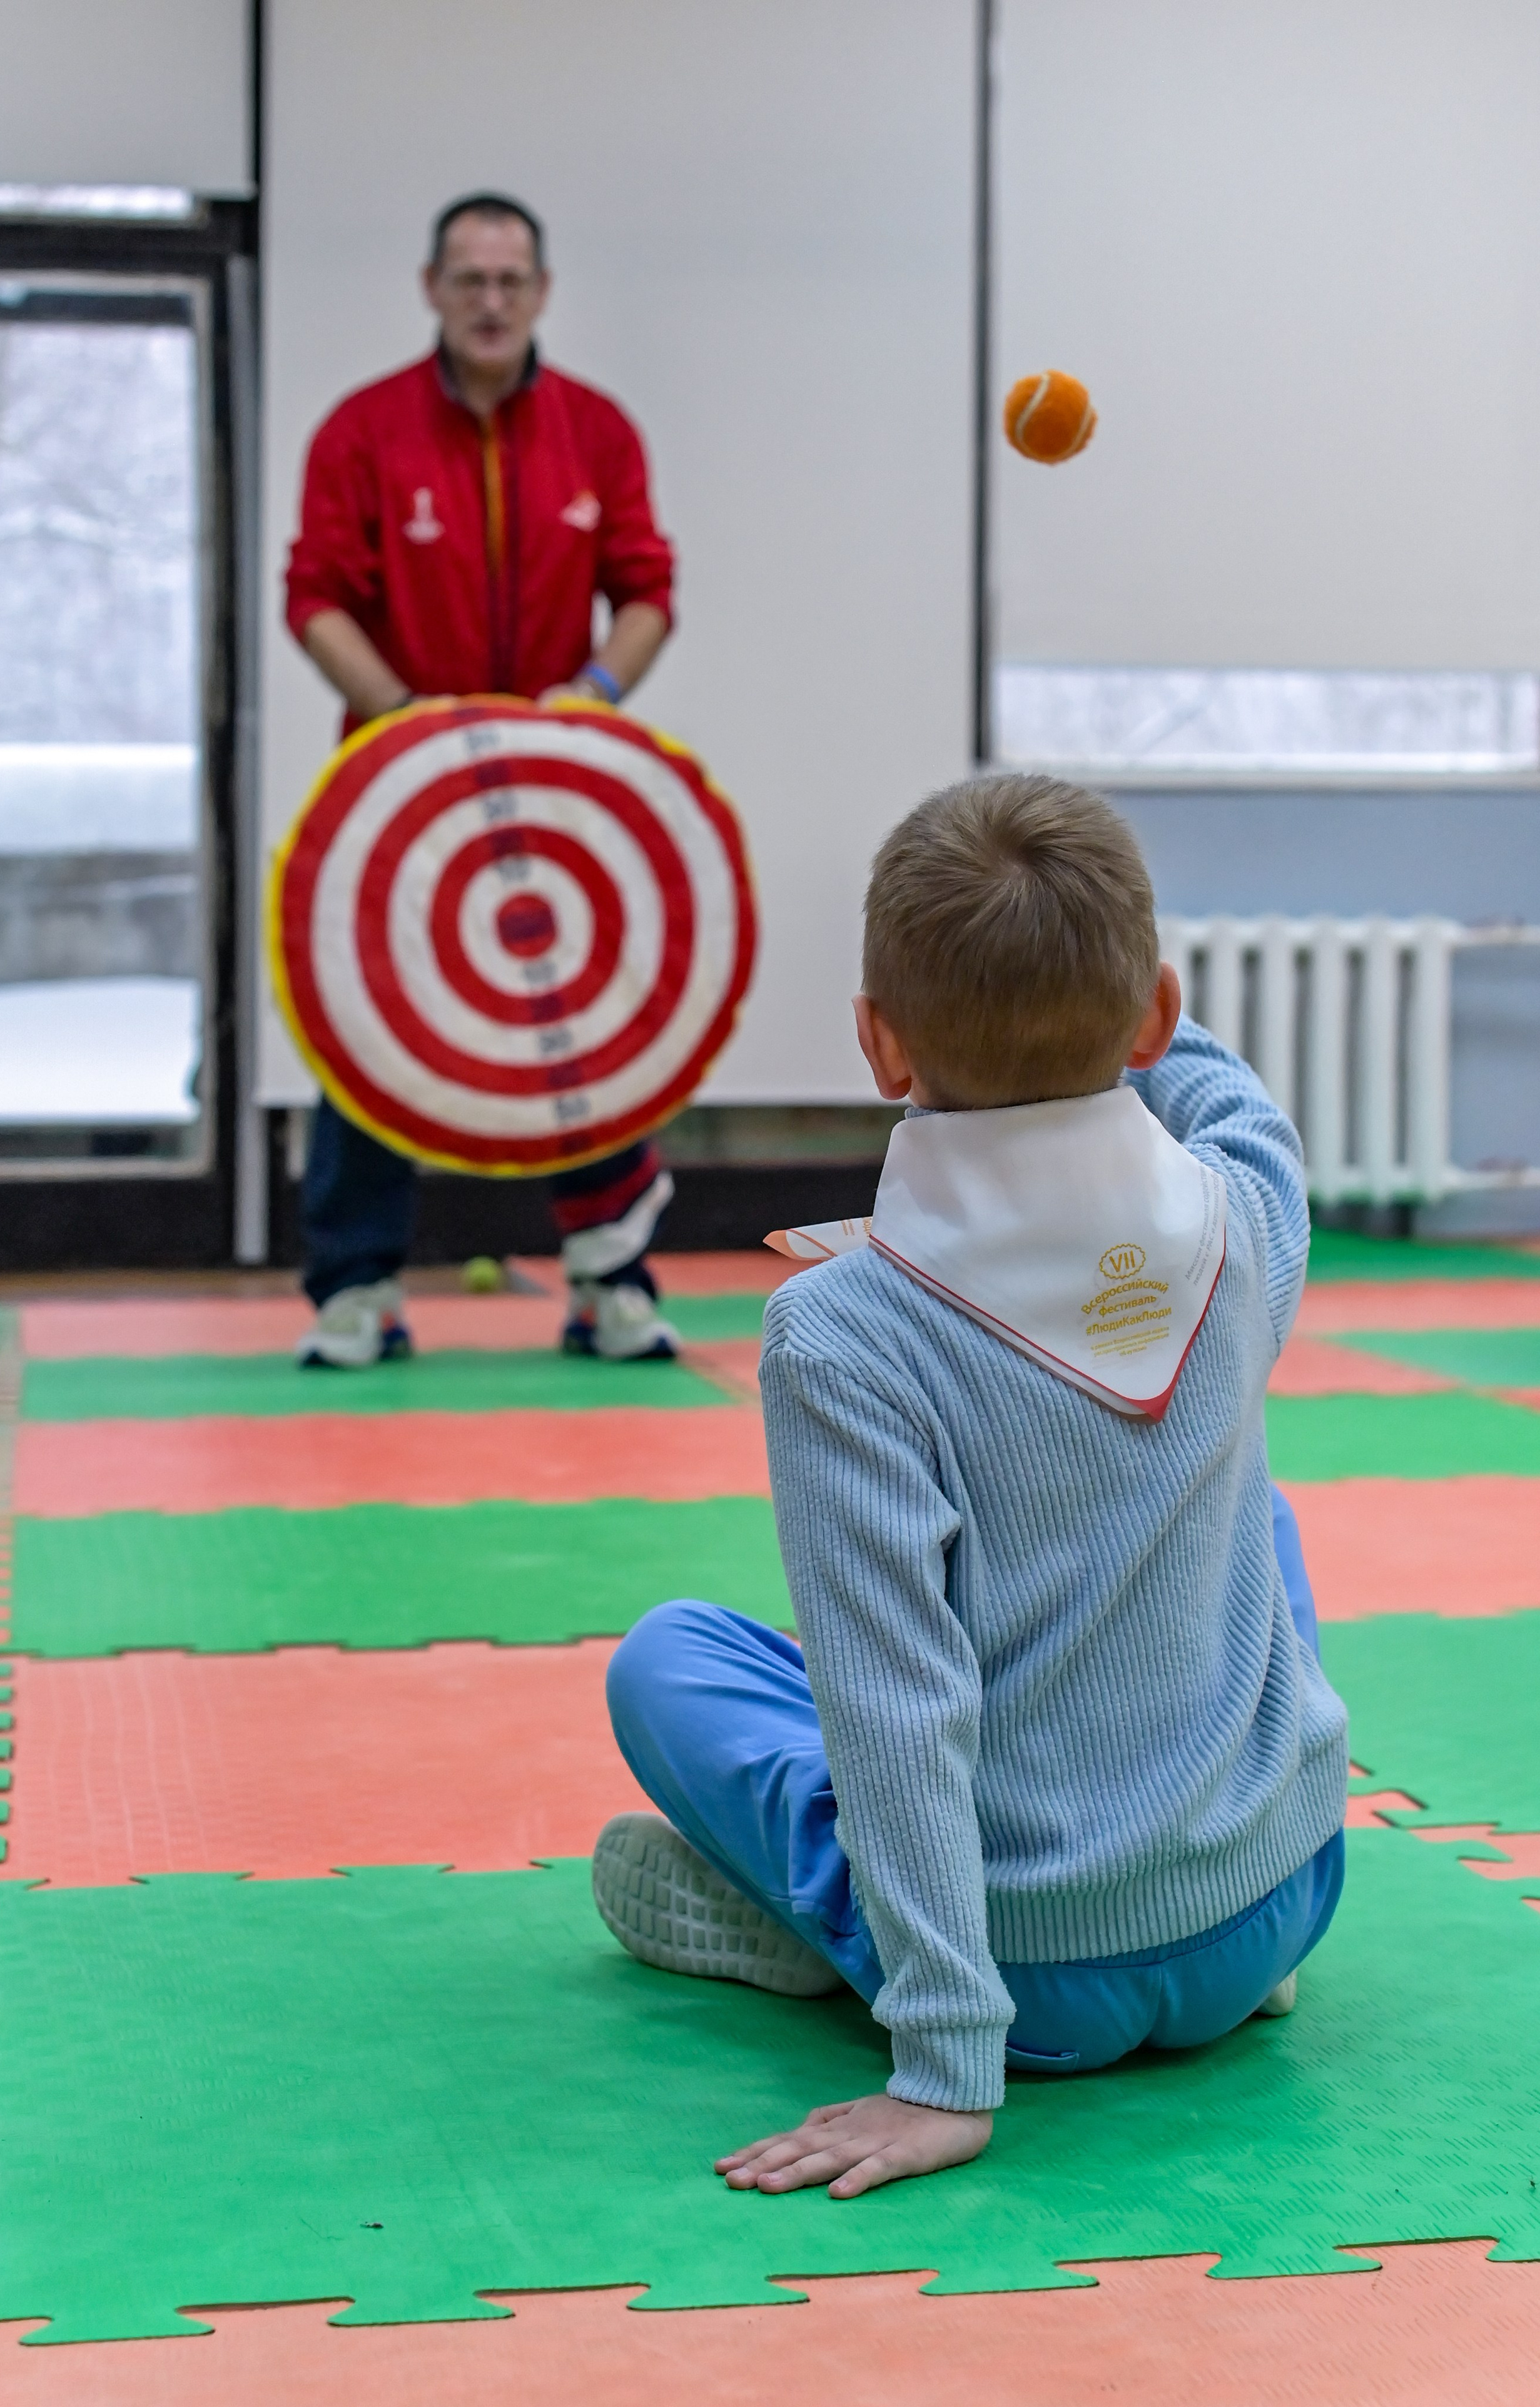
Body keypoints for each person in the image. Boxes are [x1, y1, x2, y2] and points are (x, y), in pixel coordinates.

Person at [591, 774, 1349, 2200]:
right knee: (1249, 1508)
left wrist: (946, 2064)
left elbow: (895, 1695)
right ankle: (1208, 1943)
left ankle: (839, 1936)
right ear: (1151, 1012)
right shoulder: (1246, 1207)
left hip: (1032, 1988)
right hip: (1278, 1902)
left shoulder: (843, 1330)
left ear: (876, 1042)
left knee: (669, 1660)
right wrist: (1117, 987)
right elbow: (1227, 1094)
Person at [283, 191, 680, 1366]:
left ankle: (610, 1277)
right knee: (366, 1025)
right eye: (470, 280)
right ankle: (355, 1287)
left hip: (557, 798)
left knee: (584, 1027)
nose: (492, 301)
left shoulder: (598, 433)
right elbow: (315, 599)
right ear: (432, 289)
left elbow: (648, 591)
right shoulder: (363, 432)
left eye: (512, 281)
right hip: (394, 799)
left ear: (542, 293)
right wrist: (405, 721)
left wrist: (592, 700)